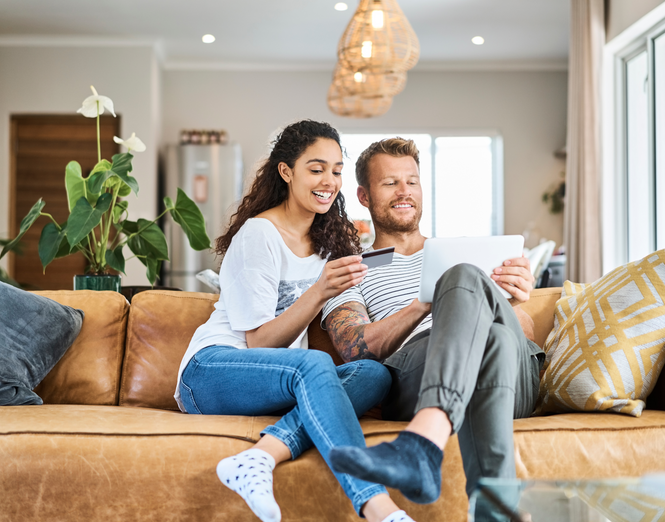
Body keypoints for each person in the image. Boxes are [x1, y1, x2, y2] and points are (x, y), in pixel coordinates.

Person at [175, 121, 417, 522]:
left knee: (374, 375)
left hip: (279, 378)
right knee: (315, 366)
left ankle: (257, 457)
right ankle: (377, 506)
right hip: (211, 371)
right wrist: (320, 289)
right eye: (316, 168)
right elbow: (259, 343)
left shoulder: (328, 245)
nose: (329, 181)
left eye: (337, 170)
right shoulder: (259, 234)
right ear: (286, 172)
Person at [323, 138, 544, 520]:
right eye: (390, 183)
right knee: (476, 312)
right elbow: (355, 348)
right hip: (416, 370)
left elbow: (523, 336)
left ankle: (422, 444)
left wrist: (512, 303)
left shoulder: (469, 253)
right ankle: (494, 512)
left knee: (486, 317)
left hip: (514, 376)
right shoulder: (354, 268)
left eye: (412, 181)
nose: (404, 191)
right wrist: (428, 302)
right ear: (363, 194)